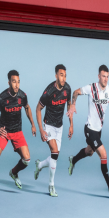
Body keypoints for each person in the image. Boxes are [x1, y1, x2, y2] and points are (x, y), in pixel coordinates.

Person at [66, 64, 109, 197]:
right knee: (104, 155)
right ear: (99, 76)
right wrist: (73, 105)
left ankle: (73, 160)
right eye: (103, 76)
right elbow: (75, 92)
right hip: (89, 129)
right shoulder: (91, 88)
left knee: (89, 152)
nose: (105, 79)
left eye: (107, 77)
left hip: (98, 130)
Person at [0, 70, 37, 200]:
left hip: (17, 131)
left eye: (18, 81)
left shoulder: (22, 95)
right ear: (9, 83)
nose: (17, 85)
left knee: (27, 160)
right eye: (14, 81)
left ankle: (14, 173)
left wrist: (33, 124)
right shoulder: (2, 98)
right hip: (4, 132)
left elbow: (27, 108)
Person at [34, 64, 73, 197]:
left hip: (59, 126)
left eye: (65, 75)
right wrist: (41, 130)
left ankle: (39, 165)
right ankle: (51, 185)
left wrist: (71, 124)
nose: (64, 78)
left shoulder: (67, 88)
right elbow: (38, 109)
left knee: (54, 157)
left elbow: (69, 106)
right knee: (55, 153)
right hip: (49, 125)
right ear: (56, 75)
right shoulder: (49, 92)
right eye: (61, 75)